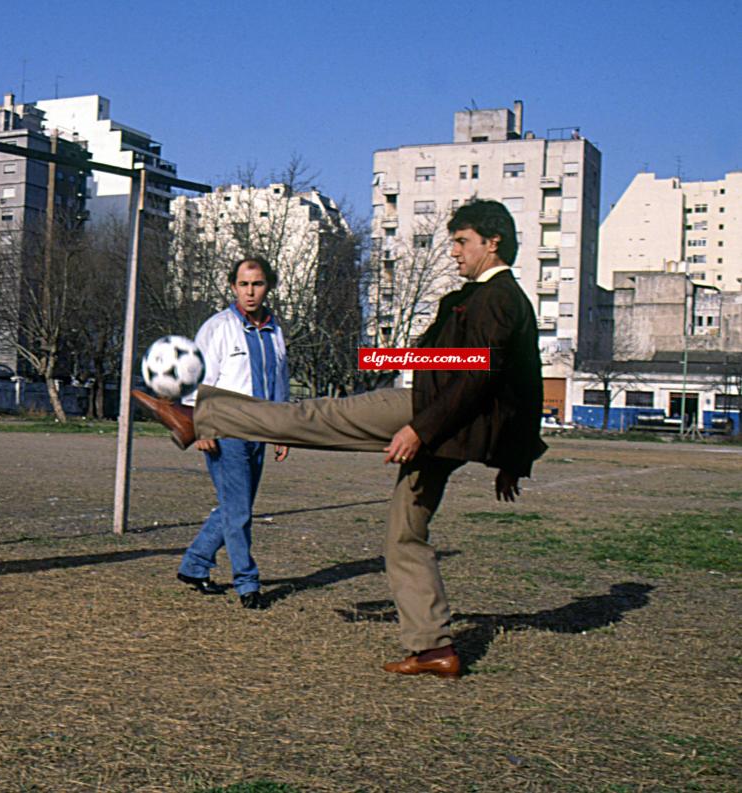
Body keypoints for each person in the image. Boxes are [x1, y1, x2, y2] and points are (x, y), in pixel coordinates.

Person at [134, 200, 546, 677]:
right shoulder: (481, 296)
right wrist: (513, 457)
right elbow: (502, 373)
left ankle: (197, 415)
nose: (453, 252)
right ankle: (434, 648)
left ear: (492, 243)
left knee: (314, 416)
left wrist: (420, 429)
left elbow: (483, 375)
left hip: (430, 416)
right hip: (445, 427)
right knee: (404, 536)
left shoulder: (497, 297)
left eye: (461, 242)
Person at [174, 257, 289, 610]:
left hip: (261, 428)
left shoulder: (274, 329)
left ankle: (194, 565)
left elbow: (279, 382)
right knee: (239, 511)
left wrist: (282, 431)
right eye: (243, 284)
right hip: (225, 429)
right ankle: (247, 584)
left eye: (257, 284)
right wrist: (200, 426)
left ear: (268, 286)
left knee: (235, 507)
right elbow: (196, 377)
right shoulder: (218, 327)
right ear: (233, 287)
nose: (250, 291)